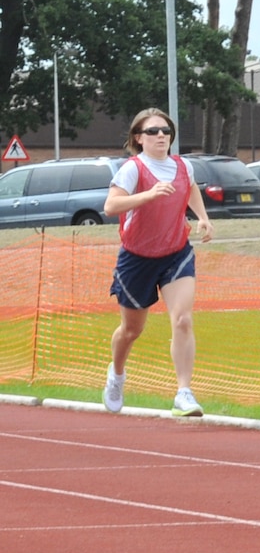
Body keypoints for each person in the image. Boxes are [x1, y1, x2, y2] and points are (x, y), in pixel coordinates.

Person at [102, 110, 212, 417]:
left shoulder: (182, 165)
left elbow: (189, 188)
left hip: (176, 252)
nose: (161, 136)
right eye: (152, 131)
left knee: (183, 319)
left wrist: (202, 217)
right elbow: (111, 206)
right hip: (137, 258)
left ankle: (184, 392)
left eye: (165, 130)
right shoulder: (132, 169)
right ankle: (118, 374)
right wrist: (148, 195)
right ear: (139, 138)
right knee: (131, 329)